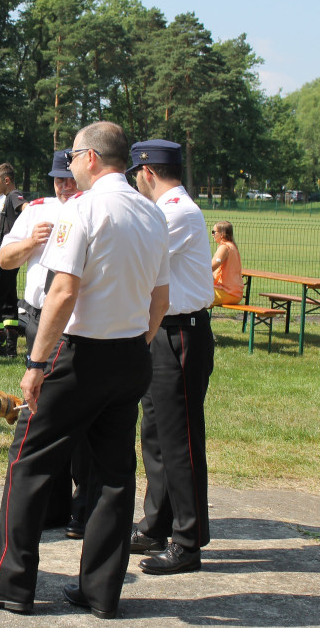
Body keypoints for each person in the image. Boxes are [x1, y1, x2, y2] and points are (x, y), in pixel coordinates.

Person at [0, 121, 169, 619]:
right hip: (129, 354)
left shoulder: (83, 209)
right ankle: (101, 591)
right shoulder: (150, 212)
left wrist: (35, 364)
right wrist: (137, 340)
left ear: (92, 158)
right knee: (114, 476)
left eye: (74, 155)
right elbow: (160, 296)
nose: (69, 165)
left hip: (77, 356)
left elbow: (62, 291)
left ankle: (11, 584)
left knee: (28, 465)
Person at [129, 139, 215, 575]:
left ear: (147, 172)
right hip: (163, 331)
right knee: (155, 433)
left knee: (179, 442)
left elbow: (142, 262)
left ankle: (188, 540)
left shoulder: (177, 211)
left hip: (181, 333)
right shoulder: (171, 209)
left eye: (136, 176)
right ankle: (157, 523)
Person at [0, 150, 79, 533]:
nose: (64, 185)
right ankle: (55, 503)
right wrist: (31, 241)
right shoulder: (36, 210)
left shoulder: (90, 209)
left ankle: (81, 504)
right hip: (35, 317)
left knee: (68, 411)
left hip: (71, 323)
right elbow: (5, 259)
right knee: (43, 409)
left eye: (69, 177)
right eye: (58, 178)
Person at [0, 162, 27, 358]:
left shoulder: (13, 196)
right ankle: (11, 345)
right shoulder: (2, 198)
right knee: (9, 297)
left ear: (6, 180)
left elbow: (26, 208)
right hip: (4, 252)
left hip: (3, 252)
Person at [211, 220, 243, 306]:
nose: (212, 234)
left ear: (222, 234)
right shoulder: (232, 246)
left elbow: (211, 267)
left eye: (214, 232)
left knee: (195, 294)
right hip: (234, 293)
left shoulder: (225, 247)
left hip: (227, 293)